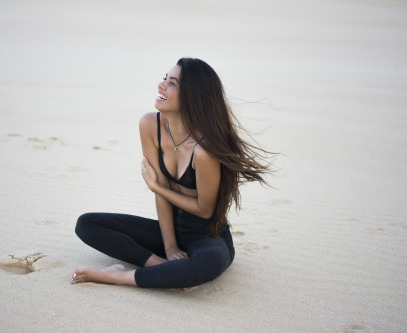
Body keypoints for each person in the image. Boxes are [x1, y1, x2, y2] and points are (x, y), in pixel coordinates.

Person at [72, 58, 272, 289]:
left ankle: (116, 276)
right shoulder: (150, 125)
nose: (161, 85)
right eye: (164, 78)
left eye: (172, 83)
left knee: (210, 262)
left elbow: (204, 209)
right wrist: (170, 248)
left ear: (192, 96)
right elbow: (162, 198)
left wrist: (157, 187)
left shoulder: (203, 151)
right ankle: (160, 266)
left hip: (207, 236)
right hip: (169, 231)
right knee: (87, 224)